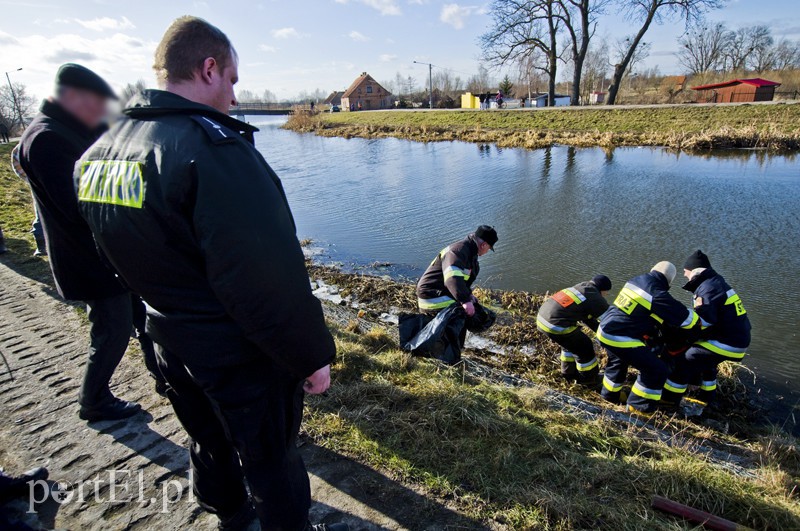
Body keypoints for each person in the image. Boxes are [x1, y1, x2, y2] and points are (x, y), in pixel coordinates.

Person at [75, 17, 344, 531]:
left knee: (206, 438)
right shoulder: (213, 152)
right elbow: (265, 278)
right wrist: (310, 355)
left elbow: (107, 249)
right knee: (271, 458)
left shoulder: (101, 153)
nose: (235, 96)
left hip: (166, 338)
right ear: (208, 68)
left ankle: (230, 516)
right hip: (235, 351)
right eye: (233, 81)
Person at [18, 63, 144, 422]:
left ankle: (165, 378)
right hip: (87, 259)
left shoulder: (62, 129)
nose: (99, 111)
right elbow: (78, 205)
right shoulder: (46, 138)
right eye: (94, 103)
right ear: (70, 97)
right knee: (112, 329)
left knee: (137, 317)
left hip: (106, 255)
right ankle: (94, 399)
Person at [597, 262, 699, 414]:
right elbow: (687, 320)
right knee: (656, 369)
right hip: (620, 336)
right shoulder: (656, 292)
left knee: (618, 361)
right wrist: (700, 314)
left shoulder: (635, 281)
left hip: (604, 329)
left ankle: (609, 396)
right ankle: (637, 410)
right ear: (669, 281)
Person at [661, 250, 751, 406]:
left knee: (684, 360)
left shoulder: (708, 288)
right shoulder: (714, 282)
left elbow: (703, 322)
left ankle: (668, 400)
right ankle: (705, 398)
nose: (684, 275)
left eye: (685, 271)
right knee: (706, 361)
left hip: (727, 342)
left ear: (694, 270)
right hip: (735, 340)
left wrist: (679, 331)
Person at [537, 275, 612, 384]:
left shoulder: (581, 287)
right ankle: (589, 379)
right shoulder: (594, 296)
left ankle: (568, 373)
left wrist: (600, 333)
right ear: (603, 289)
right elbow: (611, 318)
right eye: (606, 293)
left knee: (569, 344)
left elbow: (588, 319)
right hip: (556, 324)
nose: (606, 296)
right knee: (584, 346)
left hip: (542, 319)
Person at [417, 225, 498, 316]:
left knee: (462, 320)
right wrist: (465, 301)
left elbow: (462, 281)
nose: (487, 251)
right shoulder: (457, 251)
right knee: (458, 321)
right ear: (484, 245)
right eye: (489, 248)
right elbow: (452, 278)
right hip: (432, 298)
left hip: (440, 293)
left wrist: (469, 295)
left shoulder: (470, 254)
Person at [11, 144, 48, 256]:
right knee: (40, 212)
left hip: (43, 182)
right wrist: (33, 180)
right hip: (39, 183)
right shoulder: (21, 147)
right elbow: (18, 166)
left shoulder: (21, 146)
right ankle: (42, 245)